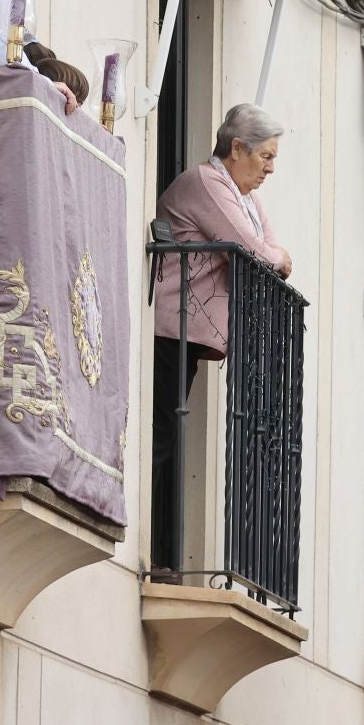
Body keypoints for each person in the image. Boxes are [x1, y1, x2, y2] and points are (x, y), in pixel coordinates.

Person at [150, 104, 293, 566]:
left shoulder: (242, 194)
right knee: (163, 433)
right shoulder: (208, 182)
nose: (271, 168)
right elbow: (257, 252)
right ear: (236, 148)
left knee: (171, 431)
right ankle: (154, 548)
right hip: (171, 326)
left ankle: (163, 549)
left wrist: (274, 254)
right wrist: (275, 255)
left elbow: (267, 245)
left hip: (189, 330)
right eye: (265, 157)